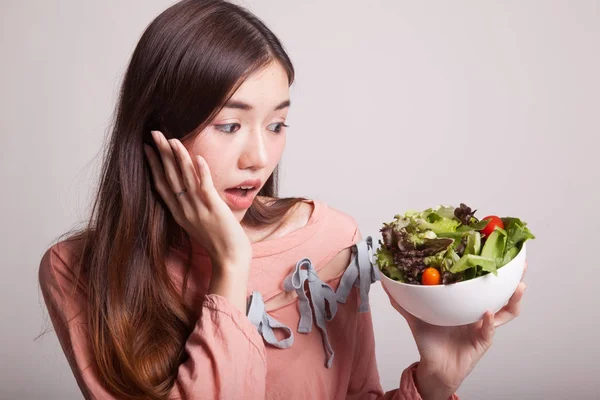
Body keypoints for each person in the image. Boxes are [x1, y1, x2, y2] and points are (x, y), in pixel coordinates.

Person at [38, 1, 527, 399]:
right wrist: (231, 263)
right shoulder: (79, 270)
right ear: (155, 130)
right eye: (229, 125)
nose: (260, 157)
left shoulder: (331, 240)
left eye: (276, 125)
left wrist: (433, 385)